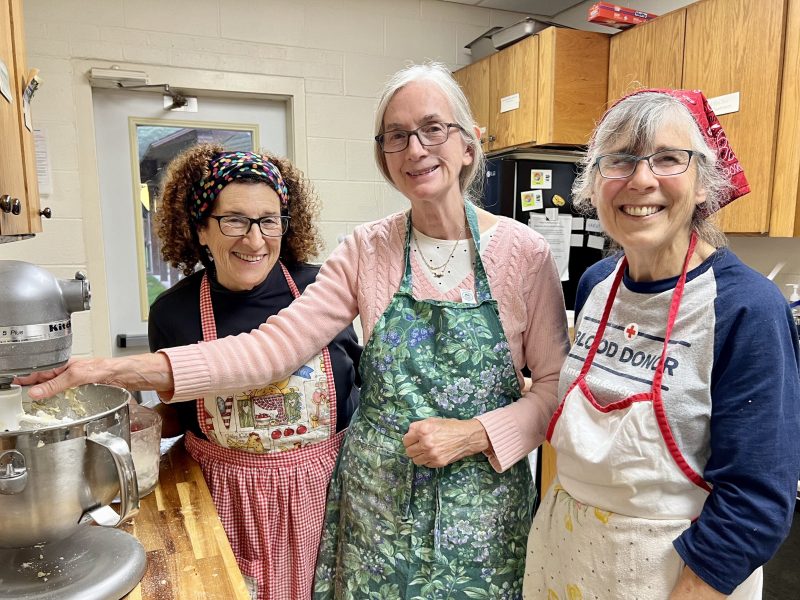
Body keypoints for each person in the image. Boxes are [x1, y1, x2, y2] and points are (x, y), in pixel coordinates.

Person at [21, 63, 569, 598]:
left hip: (483, 508)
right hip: (377, 507)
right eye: (396, 136)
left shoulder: (524, 254)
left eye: (433, 129)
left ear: (468, 144)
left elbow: (552, 389)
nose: (415, 149)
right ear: (383, 155)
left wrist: (474, 434)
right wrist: (103, 370)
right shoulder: (366, 249)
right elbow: (271, 350)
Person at [522, 89, 800, 600]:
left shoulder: (745, 309)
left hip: (676, 577)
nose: (641, 179)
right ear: (595, 182)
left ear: (703, 182)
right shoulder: (597, 285)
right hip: (564, 557)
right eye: (620, 160)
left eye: (668, 158)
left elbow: (756, 499)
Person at [146, 145, 361, 600]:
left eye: (268, 221)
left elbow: (356, 384)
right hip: (228, 501)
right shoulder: (173, 313)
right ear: (201, 229)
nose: (255, 239)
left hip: (327, 495)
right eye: (234, 220)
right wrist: (136, 421)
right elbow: (180, 415)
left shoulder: (322, 291)